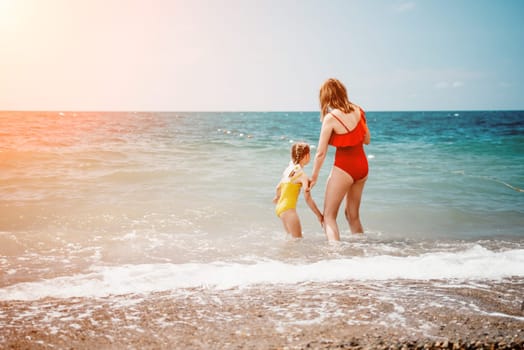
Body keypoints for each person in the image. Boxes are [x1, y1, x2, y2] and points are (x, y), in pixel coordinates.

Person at [307, 78, 371, 241]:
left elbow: (321, 153)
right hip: (362, 167)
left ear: (326, 97)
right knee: (352, 215)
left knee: (329, 216)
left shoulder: (331, 118)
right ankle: (363, 252)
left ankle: (335, 257)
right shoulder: (359, 110)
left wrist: (314, 177)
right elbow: (367, 140)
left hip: (345, 167)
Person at [274, 142, 323, 238]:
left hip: (280, 208)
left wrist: (277, 197)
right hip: (289, 209)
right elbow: (308, 198)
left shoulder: (289, 170)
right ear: (306, 156)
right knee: (297, 240)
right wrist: (319, 215)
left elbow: (278, 187)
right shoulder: (302, 175)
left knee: (290, 239)